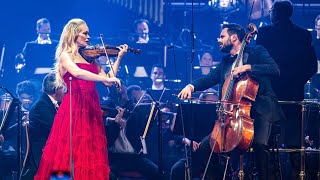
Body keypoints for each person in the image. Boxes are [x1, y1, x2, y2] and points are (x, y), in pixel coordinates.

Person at [178, 23, 282, 180]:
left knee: (260, 146)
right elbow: (209, 79)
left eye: (222, 36)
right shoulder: (226, 61)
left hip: (261, 110)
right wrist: (191, 86)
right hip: (233, 117)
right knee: (207, 147)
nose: (218, 39)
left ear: (234, 37)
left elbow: (275, 69)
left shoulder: (257, 52)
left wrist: (247, 67)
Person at [34, 18, 128, 179]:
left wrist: (118, 58)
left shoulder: (90, 57)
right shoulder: (66, 55)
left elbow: (108, 81)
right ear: (73, 34)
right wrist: (107, 79)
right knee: (68, 155)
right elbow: (77, 73)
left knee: (89, 154)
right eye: (85, 33)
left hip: (91, 107)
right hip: (74, 107)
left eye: (88, 33)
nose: (88, 37)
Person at [256, 1, 318, 178]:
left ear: (275, 12)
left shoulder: (265, 33)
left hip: (269, 96)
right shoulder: (302, 34)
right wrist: (298, 81)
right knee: (294, 145)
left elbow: (257, 62)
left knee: (264, 144)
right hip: (293, 95)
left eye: (271, 10)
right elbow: (312, 66)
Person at [104, 83, 160, 180]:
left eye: (123, 91)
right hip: (115, 158)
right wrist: (114, 121)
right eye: (119, 92)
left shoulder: (134, 109)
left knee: (157, 172)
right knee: (109, 175)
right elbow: (108, 137)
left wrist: (153, 115)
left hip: (134, 157)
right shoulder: (108, 107)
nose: (122, 94)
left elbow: (143, 130)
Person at [20, 72, 65, 179]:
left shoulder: (50, 102)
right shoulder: (41, 106)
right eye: (63, 87)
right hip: (44, 152)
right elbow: (57, 128)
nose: (66, 91)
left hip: (53, 147)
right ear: (56, 89)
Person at [15, 18, 59, 92]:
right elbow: (27, 67)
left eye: (48, 29)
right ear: (38, 30)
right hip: (35, 79)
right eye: (44, 30)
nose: (47, 32)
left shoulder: (57, 44)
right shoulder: (29, 46)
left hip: (53, 78)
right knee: (32, 87)